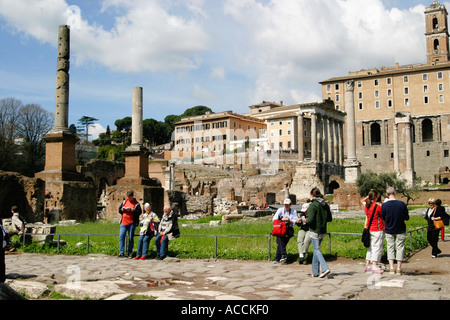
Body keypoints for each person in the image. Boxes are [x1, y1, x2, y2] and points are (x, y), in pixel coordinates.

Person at [302, 187, 332, 278]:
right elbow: (329, 218)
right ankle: (315, 272)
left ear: (312, 195)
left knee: (317, 250)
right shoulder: (325, 205)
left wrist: (304, 220)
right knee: (316, 250)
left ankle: (325, 268)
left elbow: (310, 220)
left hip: (315, 230)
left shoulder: (313, 205)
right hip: (323, 230)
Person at [381, 187, 409, 275]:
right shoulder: (402, 204)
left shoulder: (384, 205)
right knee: (400, 247)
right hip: (400, 228)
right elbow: (406, 217)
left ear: (386, 194)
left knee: (390, 247)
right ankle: (399, 268)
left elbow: (383, 218)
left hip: (389, 229)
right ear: (395, 192)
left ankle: (392, 267)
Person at [363, 190, 385, 273]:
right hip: (377, 228)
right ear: (375, 198)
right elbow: (382, 216)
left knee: (370, 247)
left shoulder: (366, 206)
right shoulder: (377, 206)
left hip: (369, 228)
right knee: (376, 247)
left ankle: (367, 265)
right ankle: (375, 266)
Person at [272, 198, 297, 264]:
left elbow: (295, 221)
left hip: (289, 229)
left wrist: (288, 220)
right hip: (281, 228)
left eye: (288, 205)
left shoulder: (294, 211)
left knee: (280, 241)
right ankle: (281, 255)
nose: (286, 206)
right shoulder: (280, 210)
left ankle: (278, 257)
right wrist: (281, 219)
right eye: (285, 205)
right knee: (280, 239)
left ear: (290, 205)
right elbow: (274, 218)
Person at [118, 190, 142, 258]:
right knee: (121, 236)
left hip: (132, 223)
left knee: (131, 237)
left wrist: (133, 210)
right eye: (128, 197)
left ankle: (130, 252)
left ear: (132, 196)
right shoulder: (124, 202)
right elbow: (119, 210)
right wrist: (122, 210)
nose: (129, 198)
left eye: (130, 197)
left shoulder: (136, 203)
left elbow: (139, 212)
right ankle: (121, 252)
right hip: (123, 222)